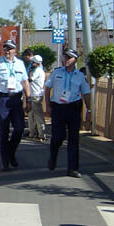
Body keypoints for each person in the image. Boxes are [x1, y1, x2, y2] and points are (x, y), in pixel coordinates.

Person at [45, 48, 92, 178]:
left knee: (74, 139)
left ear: (75, 60)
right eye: (65, 57)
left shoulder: (80, 76)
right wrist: (48, 105)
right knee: (58, 137)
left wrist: (89, 109)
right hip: (59, 108)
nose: (66, 60)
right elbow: (47, 88)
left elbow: (86, 93)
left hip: (74, 108)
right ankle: (53, 156)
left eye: (69, 58)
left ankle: (73, 168)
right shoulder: (56, 73)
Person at [0, 39, 30, 171]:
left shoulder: (20, 64)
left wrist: (29, 99)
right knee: (3, 132)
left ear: (14, 50)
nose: (7, 51)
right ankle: (5, 162)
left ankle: (11, 152)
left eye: (9, 48)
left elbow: (25, 83)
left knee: (19, 128)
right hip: (2, 100)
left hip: (16, 99)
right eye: (5, 48)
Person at [27, 54, 46, 142]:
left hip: (36, 95)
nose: (31, 63)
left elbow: (30, 79)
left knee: (38, 116)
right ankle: (32, 133)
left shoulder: (37, 71)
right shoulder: (39, 70)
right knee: (31, 115)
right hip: (33, 95)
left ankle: (41, 134)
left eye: (32, 62)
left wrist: (30, 71)